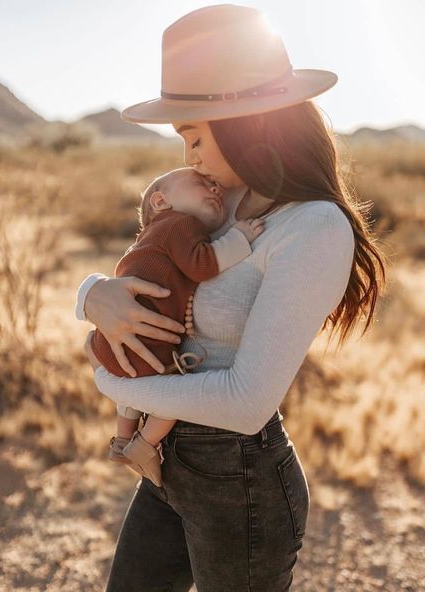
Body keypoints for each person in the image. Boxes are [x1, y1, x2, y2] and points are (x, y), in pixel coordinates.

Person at [78, 5, 387, 591]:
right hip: (171, 466)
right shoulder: (227, 203)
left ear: (247, 121)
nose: (188, 155)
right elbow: (149, 267)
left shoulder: (313, 228)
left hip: (240, 477)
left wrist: (112, 385)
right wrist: (92, 294)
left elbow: (247, 403)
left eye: (194, 135)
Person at [90, 166, 265, 486]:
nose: (215, 190)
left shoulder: (152, 236)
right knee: (171, 393)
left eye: (217, 189)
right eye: (201, 182)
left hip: (113, 344)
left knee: (131, 379)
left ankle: (121, 438)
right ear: (160, 201)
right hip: (147, 348)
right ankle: (144, 445)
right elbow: (202, 264)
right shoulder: (180, 225)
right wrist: (240, 237)